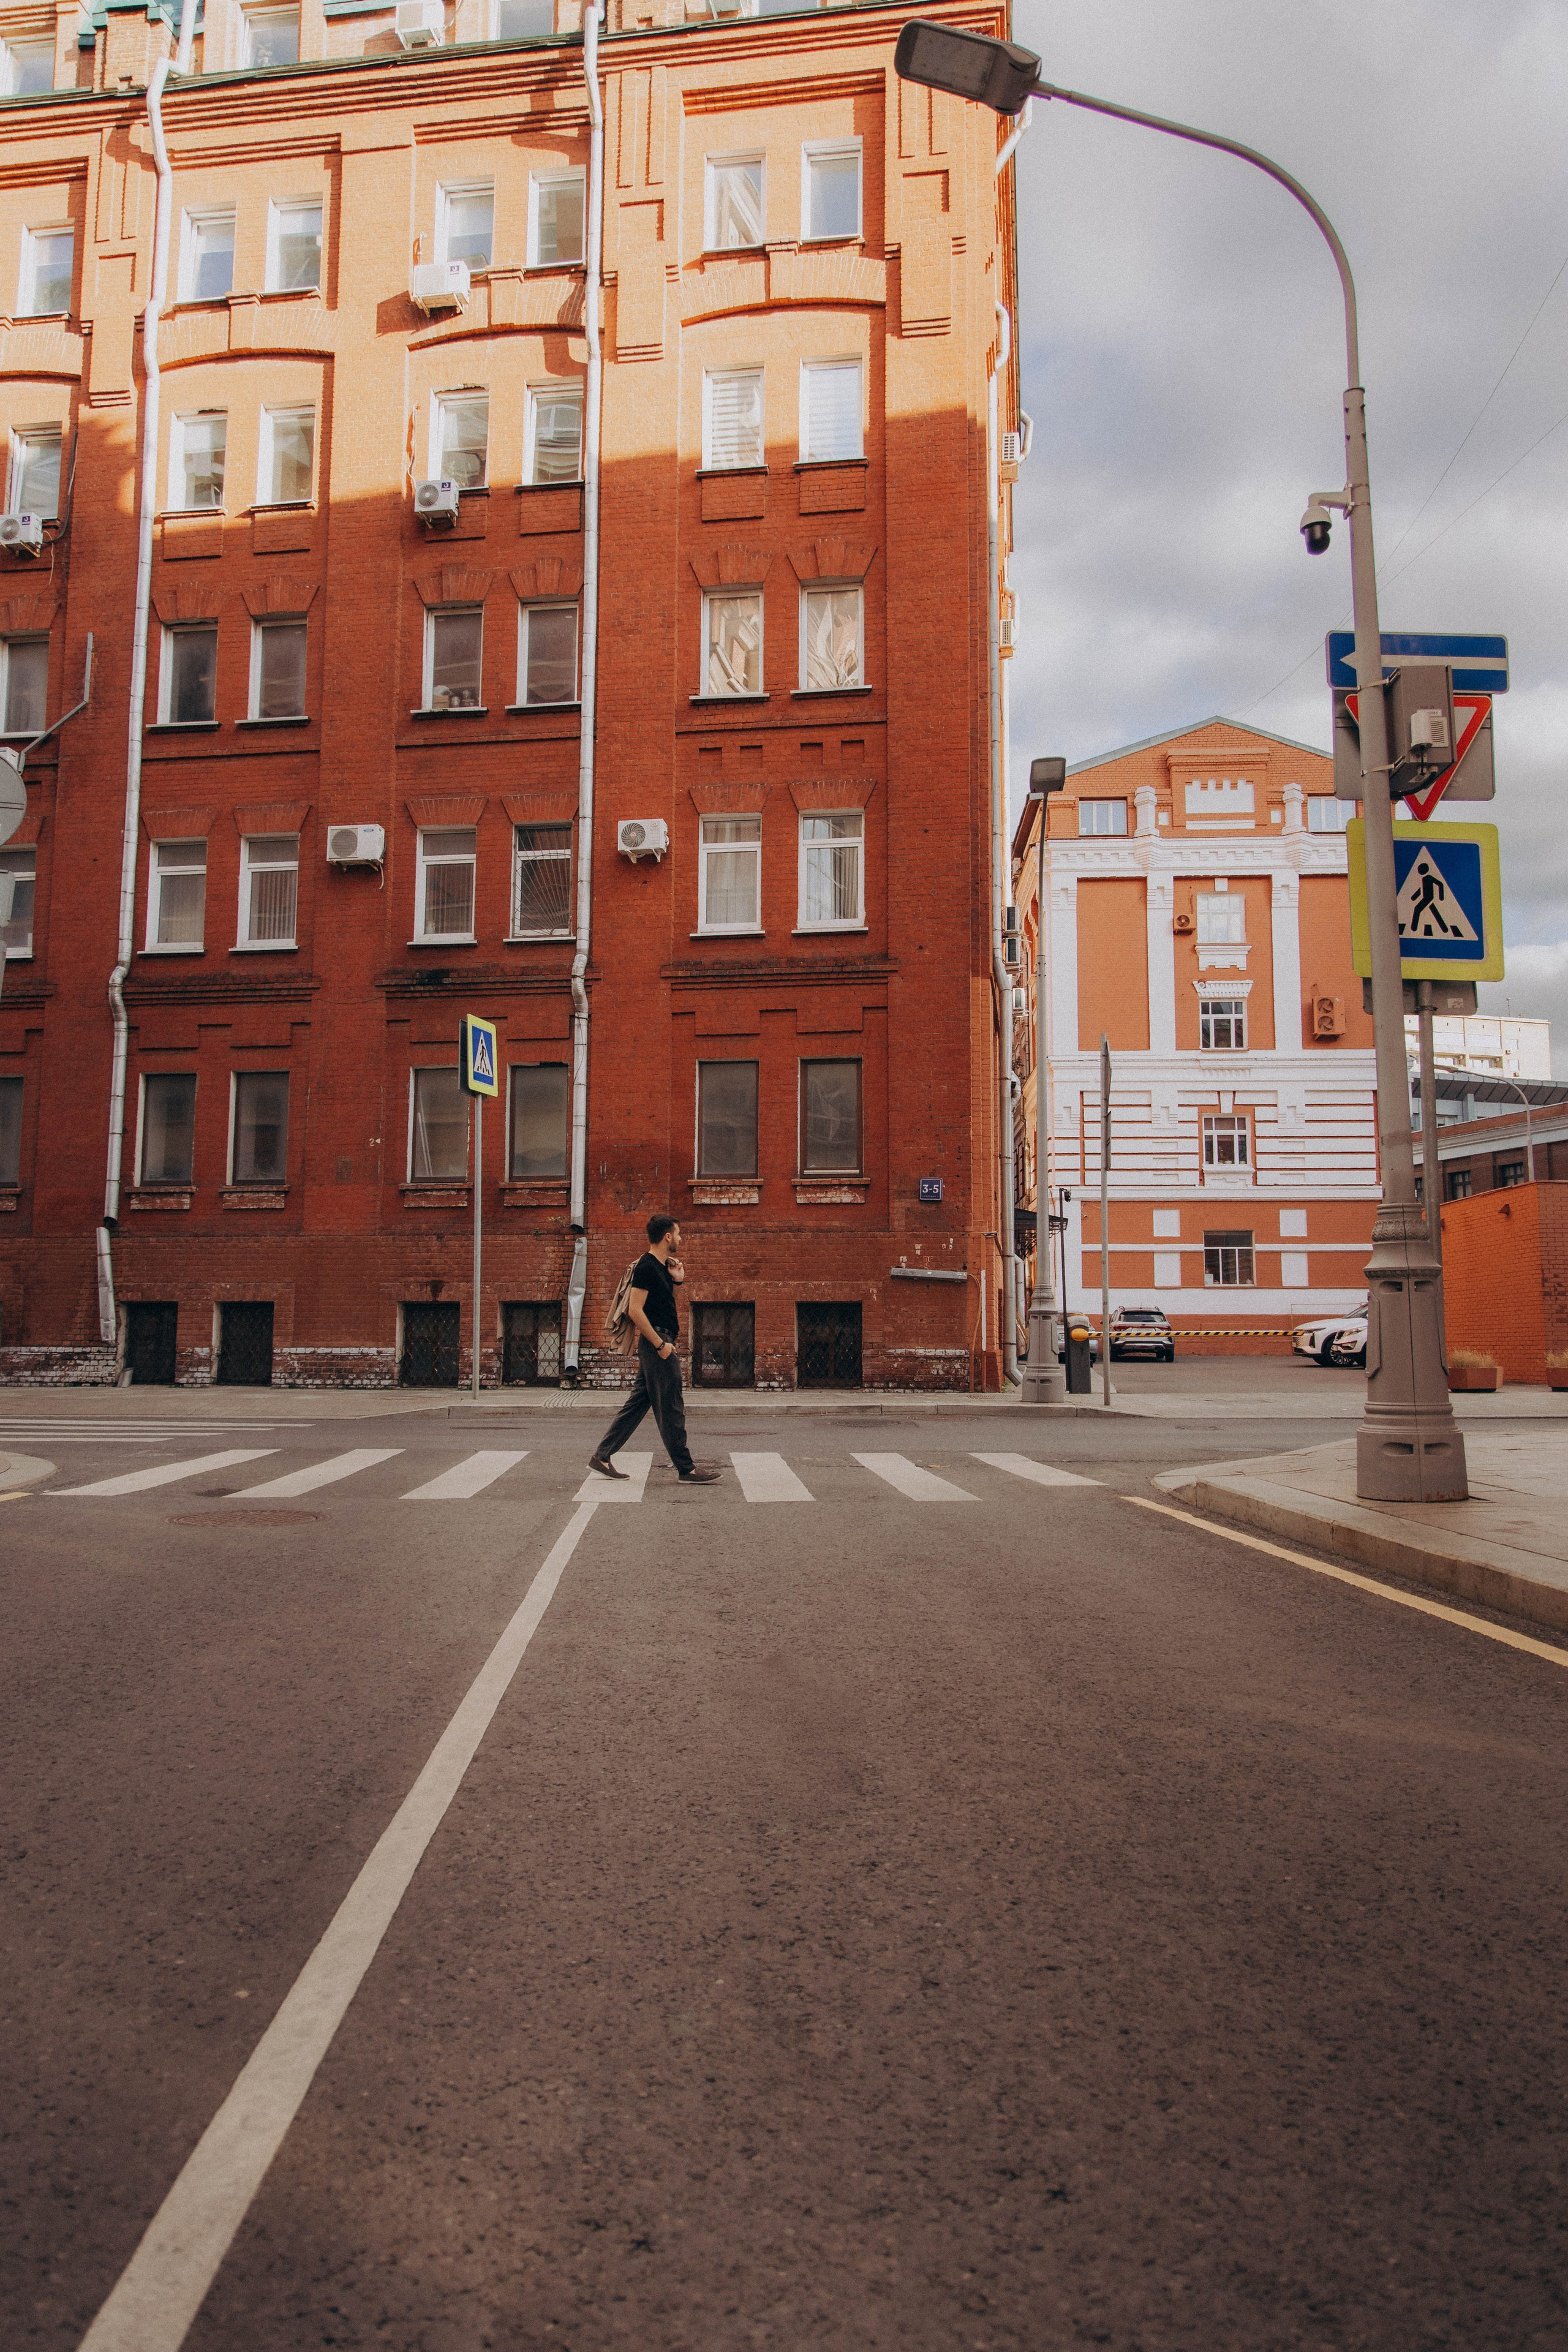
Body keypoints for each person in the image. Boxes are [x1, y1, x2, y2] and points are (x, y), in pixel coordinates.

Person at [589, 1215, 721, 1484]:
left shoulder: (662, 1268)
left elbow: (662, 1306)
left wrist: (677, 1281)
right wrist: (660, 1345)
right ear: (667, 1237)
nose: (682, 1238)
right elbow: (635, 1310)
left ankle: (602, 1457)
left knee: (638, 1404)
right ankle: (687, 1469)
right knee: (672, 1405)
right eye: (679, 1233)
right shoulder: (647, 1267)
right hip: (656, 1343)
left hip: (662, 1339)